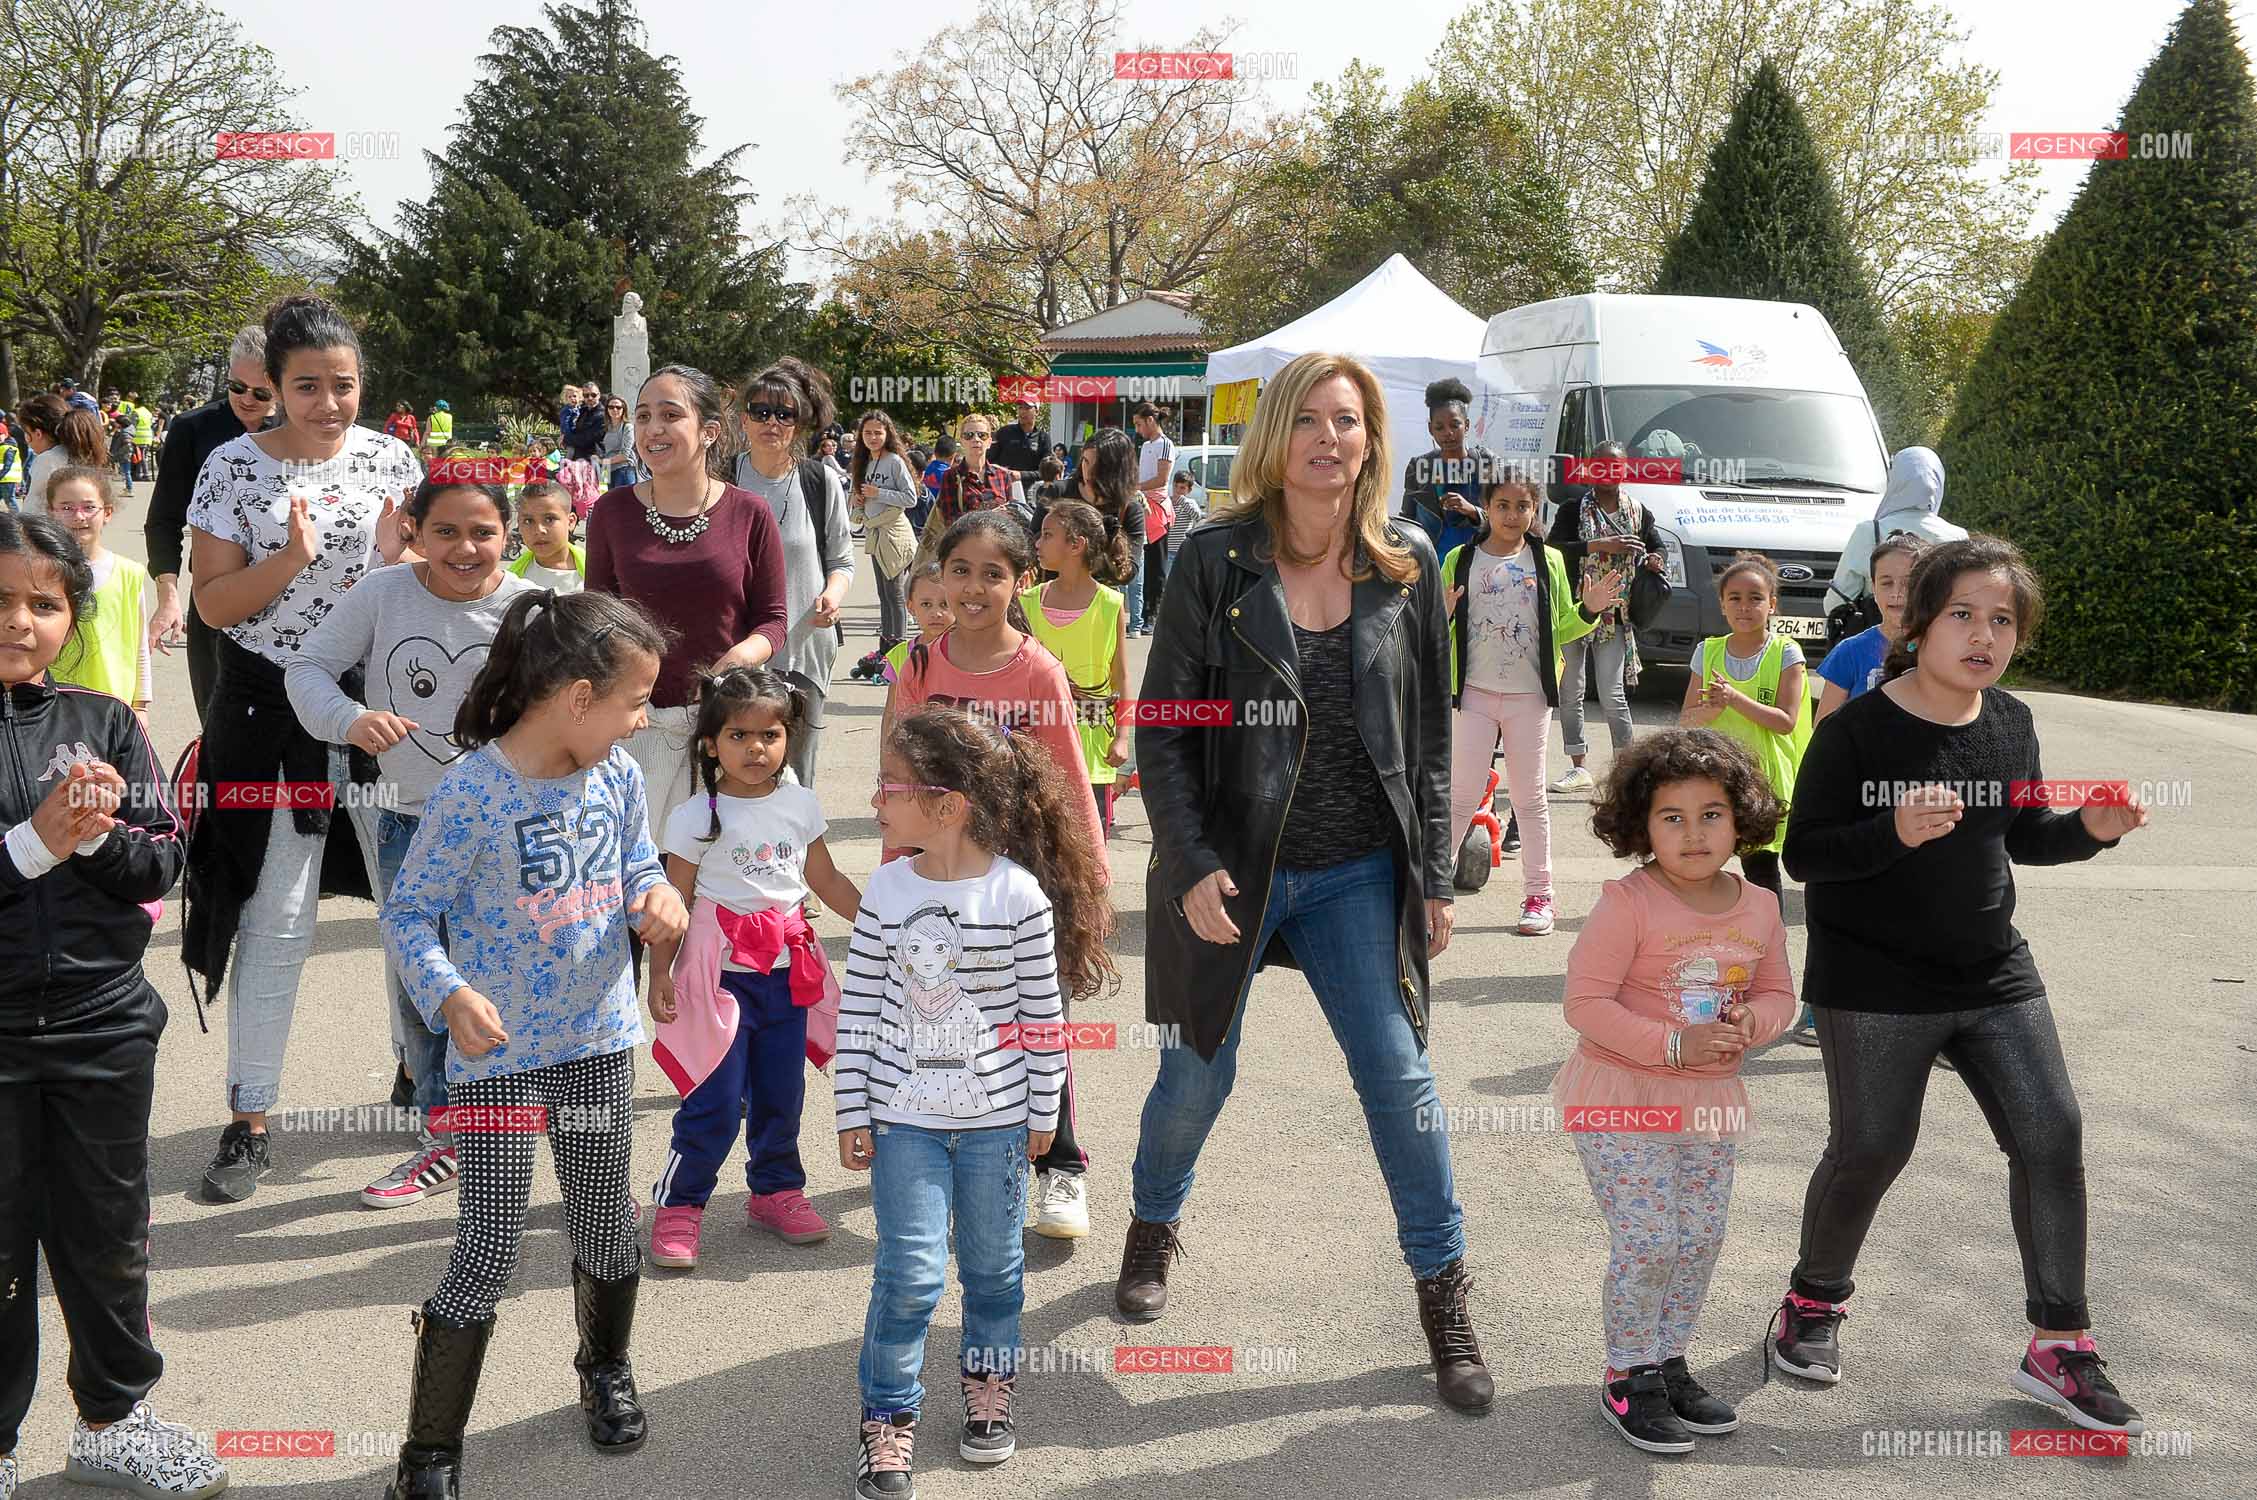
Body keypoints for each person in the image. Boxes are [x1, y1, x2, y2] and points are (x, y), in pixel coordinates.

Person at [1122, 350, 1494, 1411]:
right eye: (1310, 422)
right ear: (1275, 436)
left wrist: (1432, 874)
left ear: (1373, 439)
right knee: (1194, 1079)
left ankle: (1443, 1295)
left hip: (1355, 874)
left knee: (1400, 1082)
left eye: (1350, 421)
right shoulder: (1215, 559)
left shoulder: (1408, 563)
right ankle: (1153, 1222)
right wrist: (1188, 861)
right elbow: (1164, 730)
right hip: (1230, 871)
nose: (1330, 440)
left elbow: (1426, 739)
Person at [1767, 535, 2150, 1436]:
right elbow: (1802, 854)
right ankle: (1811, 1303)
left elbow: (2021, 836)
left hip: (1991, 972)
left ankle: (2060, 1344)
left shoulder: (2008, 721)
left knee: (2051, 1134)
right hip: (1872, 979)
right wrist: (1890, 832)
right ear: (1920, 623)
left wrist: (2088, 829)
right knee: (1872, 1148)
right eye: (1964, 616)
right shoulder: (1857, 730)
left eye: (2002, 620)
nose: (1984, 636)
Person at [378, 589, 688, 1500]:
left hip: (596, 1038)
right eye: (635, 703)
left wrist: (655, 896)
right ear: (579, 697)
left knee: (603, 1220)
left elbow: (635, 862)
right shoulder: (474, 789)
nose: (643, 721)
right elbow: (409, 911)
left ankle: (603, 1368)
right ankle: (427, 1453)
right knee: (489, 1246)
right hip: (501, 1060)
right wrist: (452, 994)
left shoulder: (619, 778)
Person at [0, 511, 225, 1500]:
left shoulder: (100, 721)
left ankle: (113, 1418)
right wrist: (31, 845)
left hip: (102, 1023)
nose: (19, 621)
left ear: (70, 618)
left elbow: (165, 858)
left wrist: (95, 838)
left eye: (43, 603)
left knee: (106, 1230)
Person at [837, 705, 1114, 1500]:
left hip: (997, 1128)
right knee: (910, 1276)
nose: (876, 800)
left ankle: (989, 1393)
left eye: (890, 786)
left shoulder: (1018, 896)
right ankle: (887, 1419)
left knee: (994, 1275)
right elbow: (858, 1008)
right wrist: (853, 1110)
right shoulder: (886, 891)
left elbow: (1041, 1018)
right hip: (905, 1124)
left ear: (946, 804)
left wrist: (1041, 1116)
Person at [182, 293, 421, 1202]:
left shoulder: (392, 460)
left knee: (409, 907)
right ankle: (250, 1118)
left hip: (376, 709)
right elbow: (212, 607)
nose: (329, 402)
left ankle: (420, 1078)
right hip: (266, 715)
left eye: (345, 385)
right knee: (275, 921)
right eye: (308, 386)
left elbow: (409, 585)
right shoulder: (231, 469)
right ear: (273, 389)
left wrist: (400, 564)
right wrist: (287, 559)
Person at [286, 479, 530, 1209]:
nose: (465, 548)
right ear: (415, 531)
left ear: (506, 534)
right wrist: (350, 719)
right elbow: (307, 667)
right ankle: (446, 1133)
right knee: (425, 980)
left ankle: (508, 1120)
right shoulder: (382, 592)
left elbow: (571, 696)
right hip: (407, 823)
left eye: (482, 531)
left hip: (507, 830)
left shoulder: (530, 607)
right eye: (446, 532)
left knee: (504, 974)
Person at [1561, 728, 1796, 1453]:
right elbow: (1584, 1003)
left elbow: (1779, 992)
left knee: (1697, 1239)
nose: (1693, 833)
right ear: (1640, 825)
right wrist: (1671, 1043)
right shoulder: (1626, 904)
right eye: (1671, 817)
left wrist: (1751, 1022)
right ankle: (1626, 1374)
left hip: (1709, 1100)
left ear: (1742, 817)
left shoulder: (1757, 904)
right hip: (1619, 1095)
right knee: (1648, 1238)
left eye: (1710, 814)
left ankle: (1667, 1359)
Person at [882, 510, 1107, 1237]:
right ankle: (955, 1155)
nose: (974, 588)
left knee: (1038, 1022)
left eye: (993, 574)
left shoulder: (1036, 669)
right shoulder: (918, 665)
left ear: (1022, 582)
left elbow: (1070, 783)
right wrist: (892, 870)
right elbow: (896, 770)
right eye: (960, 571)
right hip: (936, 877)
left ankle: (1062, 1169)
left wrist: (1090, 883)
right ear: (938, 576)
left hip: (1019, 876)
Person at [645, 667, 861, 1268]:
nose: (755, 749)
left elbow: (825, 880)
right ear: (711, 743)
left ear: (789, 738)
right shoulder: (693, 816)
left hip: (788, 977)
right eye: (738, 736)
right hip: (718, 981)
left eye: (769, 735)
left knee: (780, 1095)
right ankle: (680, 1205)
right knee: (712, 1102)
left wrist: (884, 923)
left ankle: (776, 1191)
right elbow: (674, 902)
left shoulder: (800, 804)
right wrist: (660, 974)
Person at [586, 365, 788, 832]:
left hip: (728, 727)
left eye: (670, 415)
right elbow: (597, 619)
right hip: (637, 728)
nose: (653, 429)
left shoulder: (750, 512)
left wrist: (740, 657)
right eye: (642, 416)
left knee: (725, 876)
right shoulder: (611, 512)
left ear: (709, 430)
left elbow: (773, 619)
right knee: (640, 878)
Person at [1441, 472, 1619, 935]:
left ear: (1534, 511)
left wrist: (1590, 610)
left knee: (1529, 798)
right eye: (1503, 505)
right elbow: (1435, 634)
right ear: (1487, 508)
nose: (1513, 515)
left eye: (1523, 506)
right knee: (1461, 796)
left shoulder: (1549, 560)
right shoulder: (1459, 560)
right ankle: (1431, 893)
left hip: (1530, 697)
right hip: (1474, 694)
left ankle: (1539, 896)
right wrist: (1437, 617)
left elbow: (1561, 629)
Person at [145, 327, 281, 720]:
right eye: (236, 387)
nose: (246, 400)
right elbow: (164, 519)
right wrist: (168, 598)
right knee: (219, 723)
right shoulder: (194, 428)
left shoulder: (299, 430)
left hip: (286, 599)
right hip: (216, 595)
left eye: (261, 393)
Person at [731, 358, 852, 793]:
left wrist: (833, 596)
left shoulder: (821, 482)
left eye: (784, 414)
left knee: (797, 779)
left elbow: (842, 560)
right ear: (744, 420)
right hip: (736, 651)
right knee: (733, 776)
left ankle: (797, 862)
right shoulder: (719, 479)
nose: (772, 422)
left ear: (799, 424)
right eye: (761, 411)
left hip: (804, 650)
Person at [1679, 553, 1808, 906]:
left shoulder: (1786, 653)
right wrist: (1712, 708)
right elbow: (1686, 720)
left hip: (1762, 782)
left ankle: (1770, 947)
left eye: (1755, 598)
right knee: (1702, 864)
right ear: (1722, 605)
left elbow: (1786, 722)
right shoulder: (1707, 652)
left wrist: (1735, 698)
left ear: (1772, 605)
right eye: (1734, 598)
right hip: (1714, 777)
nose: (1744, 606)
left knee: (1760, 868)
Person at [1548, 440, 1665, 792]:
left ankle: (1625, 767)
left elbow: (1656, 545)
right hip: (1576, 610)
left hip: (1615, 614)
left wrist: (1655, 559)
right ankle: (1578, 765)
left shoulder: (1639, 512)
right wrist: (1598, 546)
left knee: (1613, 693)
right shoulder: (1572, 510)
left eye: (1615, 466)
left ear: (1625, 470)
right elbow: (1553, 549)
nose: (1607, 472)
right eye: (1600, 465)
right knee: (1571, 691)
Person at [1024, 501, 1131, 836]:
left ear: (1076, 544)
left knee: (1090, 841)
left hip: (1094, 741)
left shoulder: (1111, 604)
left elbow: (1121, 676)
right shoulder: (1028, 602)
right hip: (1038, 741)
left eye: (1047, 535)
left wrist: (1124, 737)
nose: (1037, 544)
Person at [46, 468, 155, 728]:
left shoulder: (129, 573)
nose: (78, 516)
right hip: (51, 703)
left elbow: (139, 644)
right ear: (51, 512)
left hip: (113, 706)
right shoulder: (41, 572)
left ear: (106, 512)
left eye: (88, 507)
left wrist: (140, 704)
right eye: (67, 507)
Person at [1826, 446, 1966, 626]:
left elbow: (1835, 602)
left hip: (1878, 642)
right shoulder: (1958, 537)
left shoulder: (1870, 531)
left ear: (1894, 480)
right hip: (1936, 644)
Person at [1816, 535, 1924, 725]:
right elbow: (1823, 729)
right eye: (1886, 583)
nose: (1896, 592)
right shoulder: (1849, 652)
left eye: (1908, 583)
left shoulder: (1942, 649)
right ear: (1874, 589)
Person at [847, 409, 920, 682]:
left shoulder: (894, 462)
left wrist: (880, 493)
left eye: (878, 432)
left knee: (896, 595)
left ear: (888, 434)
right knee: (884, 595)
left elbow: (911, 498)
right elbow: (860, 503)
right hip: (874, 536)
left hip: (894, 536)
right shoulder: (864, 462)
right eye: (868, 433)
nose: (873, 437)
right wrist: (858, 503)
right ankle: (885, 650)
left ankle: (899, 653)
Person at [1401, 379, 1496, 562]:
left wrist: (1472, 511)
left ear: (1466, 425)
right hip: (1433, 566)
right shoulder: (1419, 467)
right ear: (1430, 429)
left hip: (1479, 564)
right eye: (1439, 427)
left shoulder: (1486, 463)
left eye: (1454, 425)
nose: (1448, 433)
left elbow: (1505, 515)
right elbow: (1408, 521)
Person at [921, 416, 1022, 557]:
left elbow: (1012, 517)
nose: (976, 439)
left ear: (989, 441)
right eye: (969, 435)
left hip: (998, 551)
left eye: (982, 435)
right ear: (962, 441)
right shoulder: (951, 477)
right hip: (966, 553)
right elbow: (951, 522)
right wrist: (990, 516)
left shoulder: (1003, 475)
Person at [1129, 403, 1175, 634]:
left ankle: (1153, 614)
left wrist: (1136, 487)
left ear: (1149, 420)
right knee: (1141, 562)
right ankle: (1141, 613)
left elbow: (1161, 479)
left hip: (1156, 510)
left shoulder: (1165, 444)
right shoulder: (1146, 445)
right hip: (1141, 507)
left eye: (1138, 424)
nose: (1137, 430)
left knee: (1157, 565)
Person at [23, 395, 109, 517]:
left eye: (26, 433)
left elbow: (34, 506)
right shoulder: (77, 453)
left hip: (49, 531)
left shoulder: (47, 460)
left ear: (38, 433)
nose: (26, 440)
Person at [880, 562, 952, 687]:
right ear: (911, 607)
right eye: (926, 604)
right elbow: (893, 705)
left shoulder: (970, 654)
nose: (936, 614)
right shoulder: (901, 655)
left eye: (945, 604)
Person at [509, 480, 586, 594]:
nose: (539, 530)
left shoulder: (595, 573)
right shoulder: (513, 580)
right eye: (529, 521)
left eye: (549, 519)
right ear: (519, 526)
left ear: (570, 522)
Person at [989, 397, 1050, 493]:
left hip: (1031, 492)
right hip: (1002, 489)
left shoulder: (1043, 438)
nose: (1022, 411)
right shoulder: (1004, 432)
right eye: (1020, 407)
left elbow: (1046, 472)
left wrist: (1021, 475)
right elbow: (989, 462)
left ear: (1037, 412)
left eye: (1027, 408)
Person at [598, 394, 638, 487]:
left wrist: (603, 462)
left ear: (623, 409)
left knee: (626, 500)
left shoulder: (627, 427)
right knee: (611, 500)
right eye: (611, 407)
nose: (615, 410)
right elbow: (605, 452)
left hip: (624, 470)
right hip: (609, 470)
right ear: (607, 410)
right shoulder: (606, 428)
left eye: (618, 407)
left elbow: (625, 455)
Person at [566, 386, 608, 467]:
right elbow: (575, 430)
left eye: (593, 395)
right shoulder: (582, 411)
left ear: (599, 395)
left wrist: (566, 439)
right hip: (577, 459)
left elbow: (587, 439)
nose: (590, 398)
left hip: (595, 461)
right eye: (586, 395)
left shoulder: (603, 415)